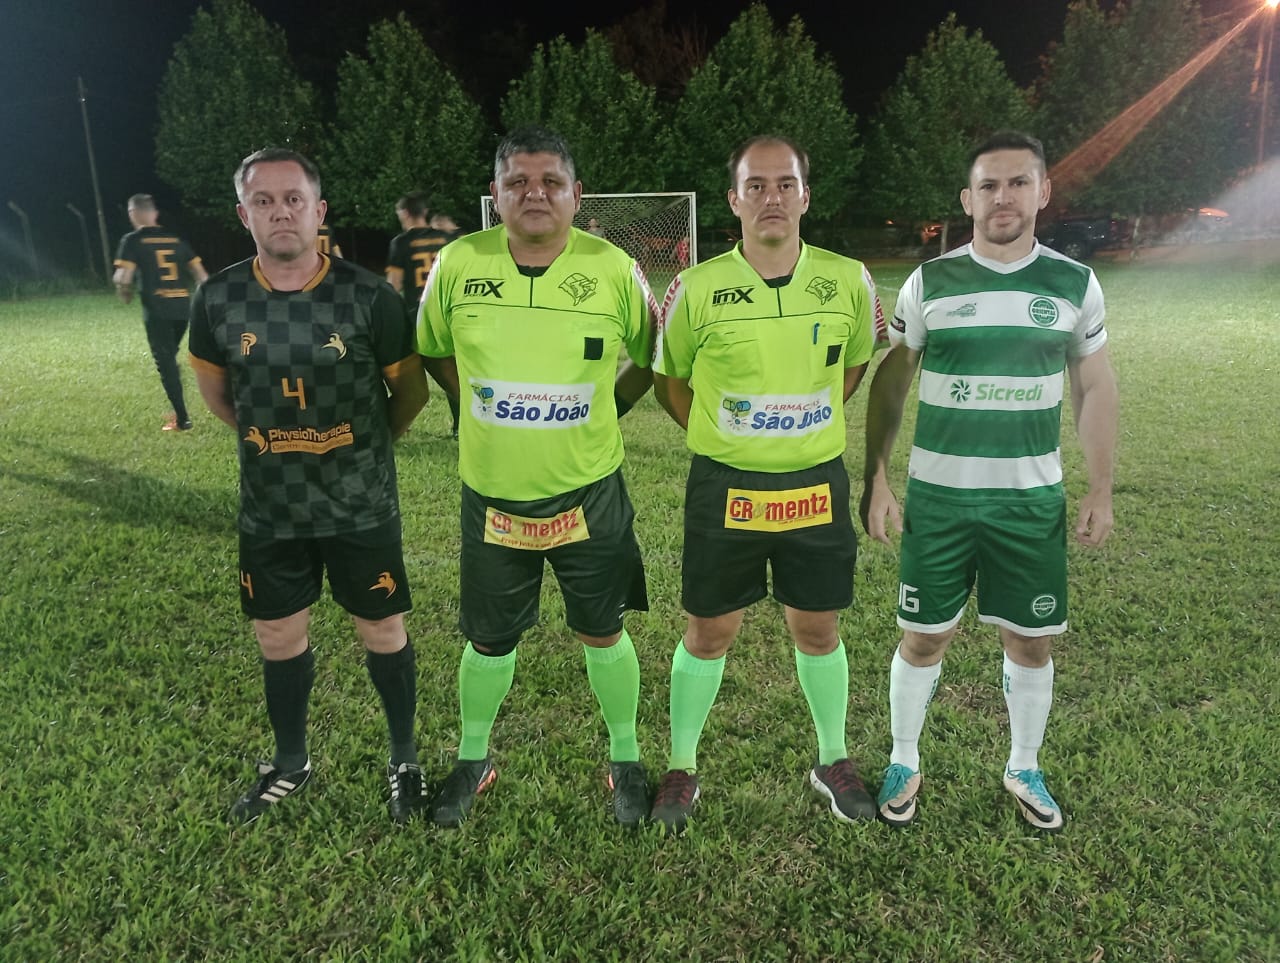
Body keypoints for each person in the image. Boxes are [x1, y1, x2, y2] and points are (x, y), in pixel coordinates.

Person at [859, 130, 1118, 833]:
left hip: (1029, 502)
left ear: (1043, 191)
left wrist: (1100, 487)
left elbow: (1094, 384)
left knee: (1030, 640)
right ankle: (904, 759)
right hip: (939, 500)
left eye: (1018, 182)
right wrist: (877, 476)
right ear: (968, 199)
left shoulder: (1074, 283)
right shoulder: (931, 282)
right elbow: (892, 382)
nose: (1004, 197)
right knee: (922, 637)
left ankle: (1023, 765)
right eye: (989, 186)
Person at [416, 125, 657, 828]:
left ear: (577, 194)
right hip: (492, 493)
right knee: (488, 638)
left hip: (590, 491)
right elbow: (432, 348)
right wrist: (470, 404)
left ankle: (625, 757)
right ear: (494, 194)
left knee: (603, 630)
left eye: (551, 181)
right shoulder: (458, 263)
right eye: (517, 181)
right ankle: (473, 758)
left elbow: (652, 356)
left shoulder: (615, 269)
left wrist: (612, 406)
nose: (534, 193)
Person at [187, 148, 431, 826]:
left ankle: (404, 759)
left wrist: (363, 448)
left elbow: (410, 393)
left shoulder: (368, 295)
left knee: (382, 627)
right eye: (263, 201)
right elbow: (219, 396)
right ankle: (291, 761)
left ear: (318, 210)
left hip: (360, 502)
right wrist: (277, 443)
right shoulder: (218, 298)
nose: (280, 212)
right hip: (272, 508)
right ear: (244, 215)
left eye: (293, 198)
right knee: (276, 633)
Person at [649, 135, 884, 834]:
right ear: (734, 200)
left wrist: (800, 430)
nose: (771, 197)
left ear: (806, 196)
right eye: (756, 185)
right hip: (725, 484)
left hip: (814, 482)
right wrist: (729, 439)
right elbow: (670, 380)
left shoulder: (849, 279)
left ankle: (833, 758)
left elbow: (854, 365)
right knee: (709, 629)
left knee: (817, 625)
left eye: (785, 184)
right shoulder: (695, 287)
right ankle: (682, 766)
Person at [112, 194, 209, 431]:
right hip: (182, 309)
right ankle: (178, 407)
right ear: (154, 213)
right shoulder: (176, 239)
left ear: (133, 213)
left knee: (165, 363)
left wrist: (124, 291)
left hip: (157, 311)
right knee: (169, 356)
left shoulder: (133, 240)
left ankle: (182, 419)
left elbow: (123, 277)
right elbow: (202, 276)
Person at [386, 191, 461, 437]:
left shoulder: (402, 243)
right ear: (425, 212)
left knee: (406, 379)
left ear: (405, 213)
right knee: (455, 375)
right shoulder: (446, 239)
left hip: (418, 319)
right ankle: (461, 427)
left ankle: (396, 426)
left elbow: (393, 284)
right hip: (450, 315)